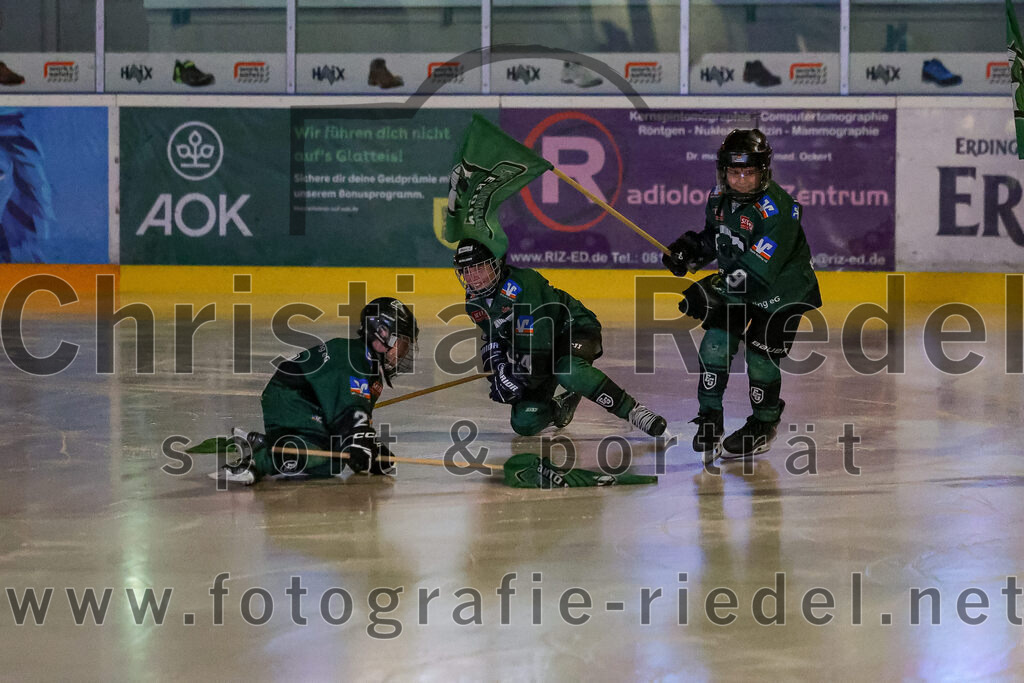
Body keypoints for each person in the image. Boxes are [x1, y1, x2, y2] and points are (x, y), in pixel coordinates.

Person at [663, 129, 821, 462]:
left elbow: (758, 269)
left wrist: (709, 290)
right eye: (734, 172)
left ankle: (764, 424)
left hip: (780, 291)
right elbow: (717, 237)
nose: (741, 179)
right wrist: (688, 251)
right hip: (738, 284)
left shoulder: (780, 210)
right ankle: (709, 417)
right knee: (714, 346)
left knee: (760, 359)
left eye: (749, 172)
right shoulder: (718, 197)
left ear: (764, 171)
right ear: (724, 171)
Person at [454, 238, 667, 437]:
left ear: (497, 264)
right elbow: (494, 339)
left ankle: (634, 412)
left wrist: (517, 380)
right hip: (536, 350)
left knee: (568, 371)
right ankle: (560, 406)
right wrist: (499, 371)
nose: (473, 277)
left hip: (572, 328)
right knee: (524, 423)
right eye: (466, 270)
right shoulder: (474, 304)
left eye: (479, 267)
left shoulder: (523, 284)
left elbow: (535, 347)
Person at [210, 297, 419, 485]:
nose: (403, 352)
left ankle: (271, 443)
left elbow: (354, 419)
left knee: (332, 463)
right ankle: (256, 462)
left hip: (305, 399)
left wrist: (368, 449)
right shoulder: (356, 360)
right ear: (381, 333)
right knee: (327, 458)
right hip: (292, 398)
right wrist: (360, 442)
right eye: (401, 343)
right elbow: (350, 413)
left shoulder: (367, 364)